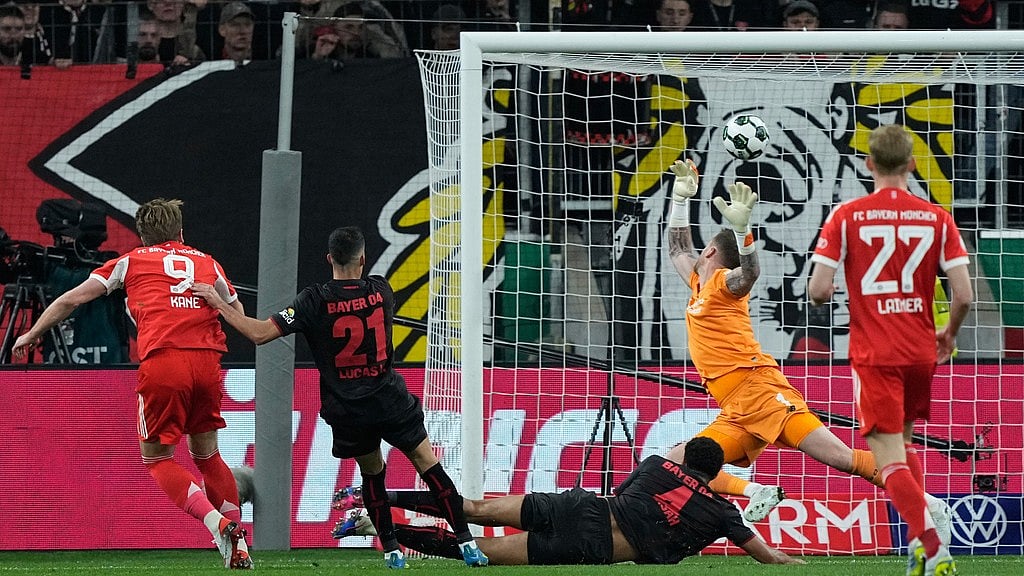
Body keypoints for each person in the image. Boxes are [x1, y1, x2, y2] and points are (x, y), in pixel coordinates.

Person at [661, 157, 953, 527]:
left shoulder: (723, 287)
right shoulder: (699, 284)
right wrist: (680, 198)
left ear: (709, 253)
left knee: (841, 458)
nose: (694, 253)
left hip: (762, 392)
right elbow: (677, 250)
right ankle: (757, 491)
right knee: (676, 464)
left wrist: (744, 233)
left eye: (701, 249)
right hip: (735, 409)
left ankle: (929, 504)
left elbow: (750, 273)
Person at [190, 226, 488, 569]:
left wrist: (218, 304)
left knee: (373, 473)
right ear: (363, 259)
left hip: (349, 410)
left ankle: (392, 552)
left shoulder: (312, 301)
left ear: (329, 258)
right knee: (428, 465)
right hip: (390, 401)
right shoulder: (381, 290)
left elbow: (259, 334)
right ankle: (467, 542)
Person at [11, 198, 252, 569]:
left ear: (143, 236)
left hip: (164, 362)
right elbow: (238, 313)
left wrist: (32, 333)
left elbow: (70, 300)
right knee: (208, 455)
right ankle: (240, 544)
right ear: (181, 232)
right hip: (207, 363)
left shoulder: (130, 261)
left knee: (157, 459)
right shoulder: (208, 262)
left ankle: (217, 524)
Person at [808, 124, 972, 576]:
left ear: (869, 164)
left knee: (887, 458)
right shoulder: (937, 217)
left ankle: (933, 548)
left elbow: (818, 291)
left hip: (875, 353)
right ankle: (922, 546)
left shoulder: (847, 216)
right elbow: (963, 295)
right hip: (920, 351)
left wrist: (838, 289)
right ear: (913, 164)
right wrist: (949, 334)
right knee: (904, 444)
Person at [335, 437, 803, 566]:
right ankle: (375, 526)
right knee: (477, 551)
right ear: (716, 473)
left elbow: (625, 492)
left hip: (581, 508)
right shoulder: (723, 513)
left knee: (473, 508)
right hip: (588, 547)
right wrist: (792, 563)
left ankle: (373, 498)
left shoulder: (657, 465)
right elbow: (766, 556)